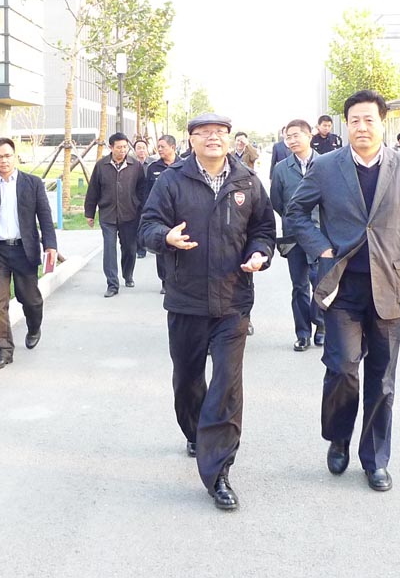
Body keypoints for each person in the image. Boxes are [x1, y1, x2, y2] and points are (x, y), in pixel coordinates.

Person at [285, 89, 400, 493]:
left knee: (382, 378)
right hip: (342, 286)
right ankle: (338, 437)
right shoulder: (326, 167)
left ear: (382, 123)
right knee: (342, 368)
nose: (361, 127)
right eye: (354, 120)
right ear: (346, 124)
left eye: (369, 119)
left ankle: (374, 459)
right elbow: (296, 211)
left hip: (390, 285)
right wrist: (320, 246)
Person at [139, 113, 276, 511]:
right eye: (204, 133)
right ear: (192, 140)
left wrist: (260, 253)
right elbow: (147, 226)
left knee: (227, 384)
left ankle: (218, 472)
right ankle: (195, 430)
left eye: (220, 132)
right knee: (187, 379)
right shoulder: (171, 180)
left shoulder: (247, 181)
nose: (213, 138)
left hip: (233, 300)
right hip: (186, 299)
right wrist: (164, 237)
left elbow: (263, 230)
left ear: (230, 139)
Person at [0, 137, 57, 371]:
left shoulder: (32, 183)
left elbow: (45, 216)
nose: (4, 160)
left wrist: (50, 245)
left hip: (23, 249)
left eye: (7, 156)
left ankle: (34, 326)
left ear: (14, 157)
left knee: (30, 299)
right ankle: (3, 351)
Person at [270, 119, 324, 352]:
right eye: (287, 137)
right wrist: (292, 220)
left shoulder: (326, 164)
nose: (291, 141)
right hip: (293, 236)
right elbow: (276, 201)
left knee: (320, 282)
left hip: (321, 236)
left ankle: (321, 325)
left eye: (295, 135)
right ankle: (302, 334)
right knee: (299, 286)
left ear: (309, 136)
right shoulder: (281, 168)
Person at [84, 132, 143, 297]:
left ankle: (128, 274)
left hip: (130, 214)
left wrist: (139, 207)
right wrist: (89, 212)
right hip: (107, 214)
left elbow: (142, 189)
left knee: (130, 248)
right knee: (109, 249)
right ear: (111, 147)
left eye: (125, 147)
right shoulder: (101, 166)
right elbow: (93, 190)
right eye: (119, 147)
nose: (122, 150)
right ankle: (112, 284)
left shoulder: (135, 166)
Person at [144, 134, 178, 294]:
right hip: (160, 213)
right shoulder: (153, 168)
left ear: (173, 147)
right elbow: (146, 192)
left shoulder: (184, 165)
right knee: (162, 246)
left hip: (179, 213)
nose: (160, 149)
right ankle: (164, 280)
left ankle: (177, 278)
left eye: (163, 146)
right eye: (158, 147)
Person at [133, 139, 151, 258]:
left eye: (143, 147)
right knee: (138, 224)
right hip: (136, 199)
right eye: (139, 148)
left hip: (151, 198)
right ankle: (140, 249)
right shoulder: (131, 164)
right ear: (135, 151)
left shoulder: (153, 164)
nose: (141, 150)